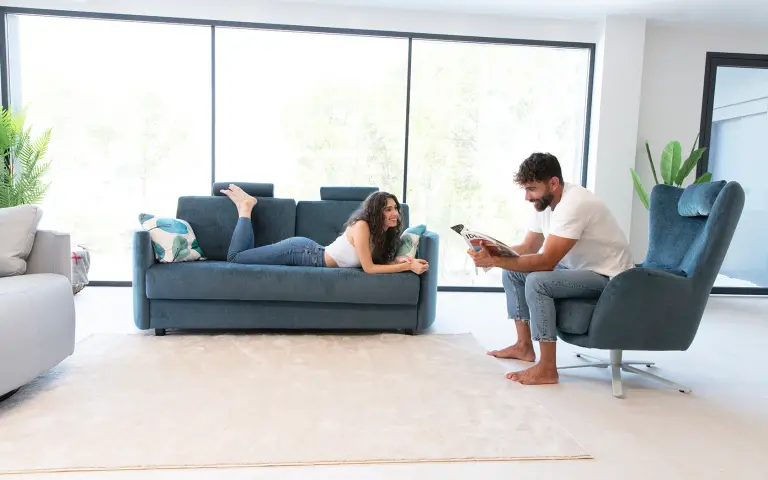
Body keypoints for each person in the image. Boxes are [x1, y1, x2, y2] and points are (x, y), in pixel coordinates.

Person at [468, 152, 634, 385]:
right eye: (525, 189)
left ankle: (547, 368)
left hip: (610, 277)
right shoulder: (544, 204)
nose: (527, 196)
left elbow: (546, 261)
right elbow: (528, 247)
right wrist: (492, 251)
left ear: (553, 183)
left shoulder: (575, 203)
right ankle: (524, 346)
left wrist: (494, 261)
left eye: (532, 189)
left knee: (538, 281)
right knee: (514, 272)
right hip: (579, 269)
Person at [220, 184, 429, 275]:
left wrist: (397, 260)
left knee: (242, 256)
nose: (395, 214)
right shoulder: (363, 226)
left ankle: (245, 207)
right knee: (235, 257)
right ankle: (246, 208)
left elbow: (375, 262)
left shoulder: (382, 232)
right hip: (301, 252)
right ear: (377, 212)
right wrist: (406, 267)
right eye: (388, 209)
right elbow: (369, 269)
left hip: (310, 252)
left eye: (396, 209)